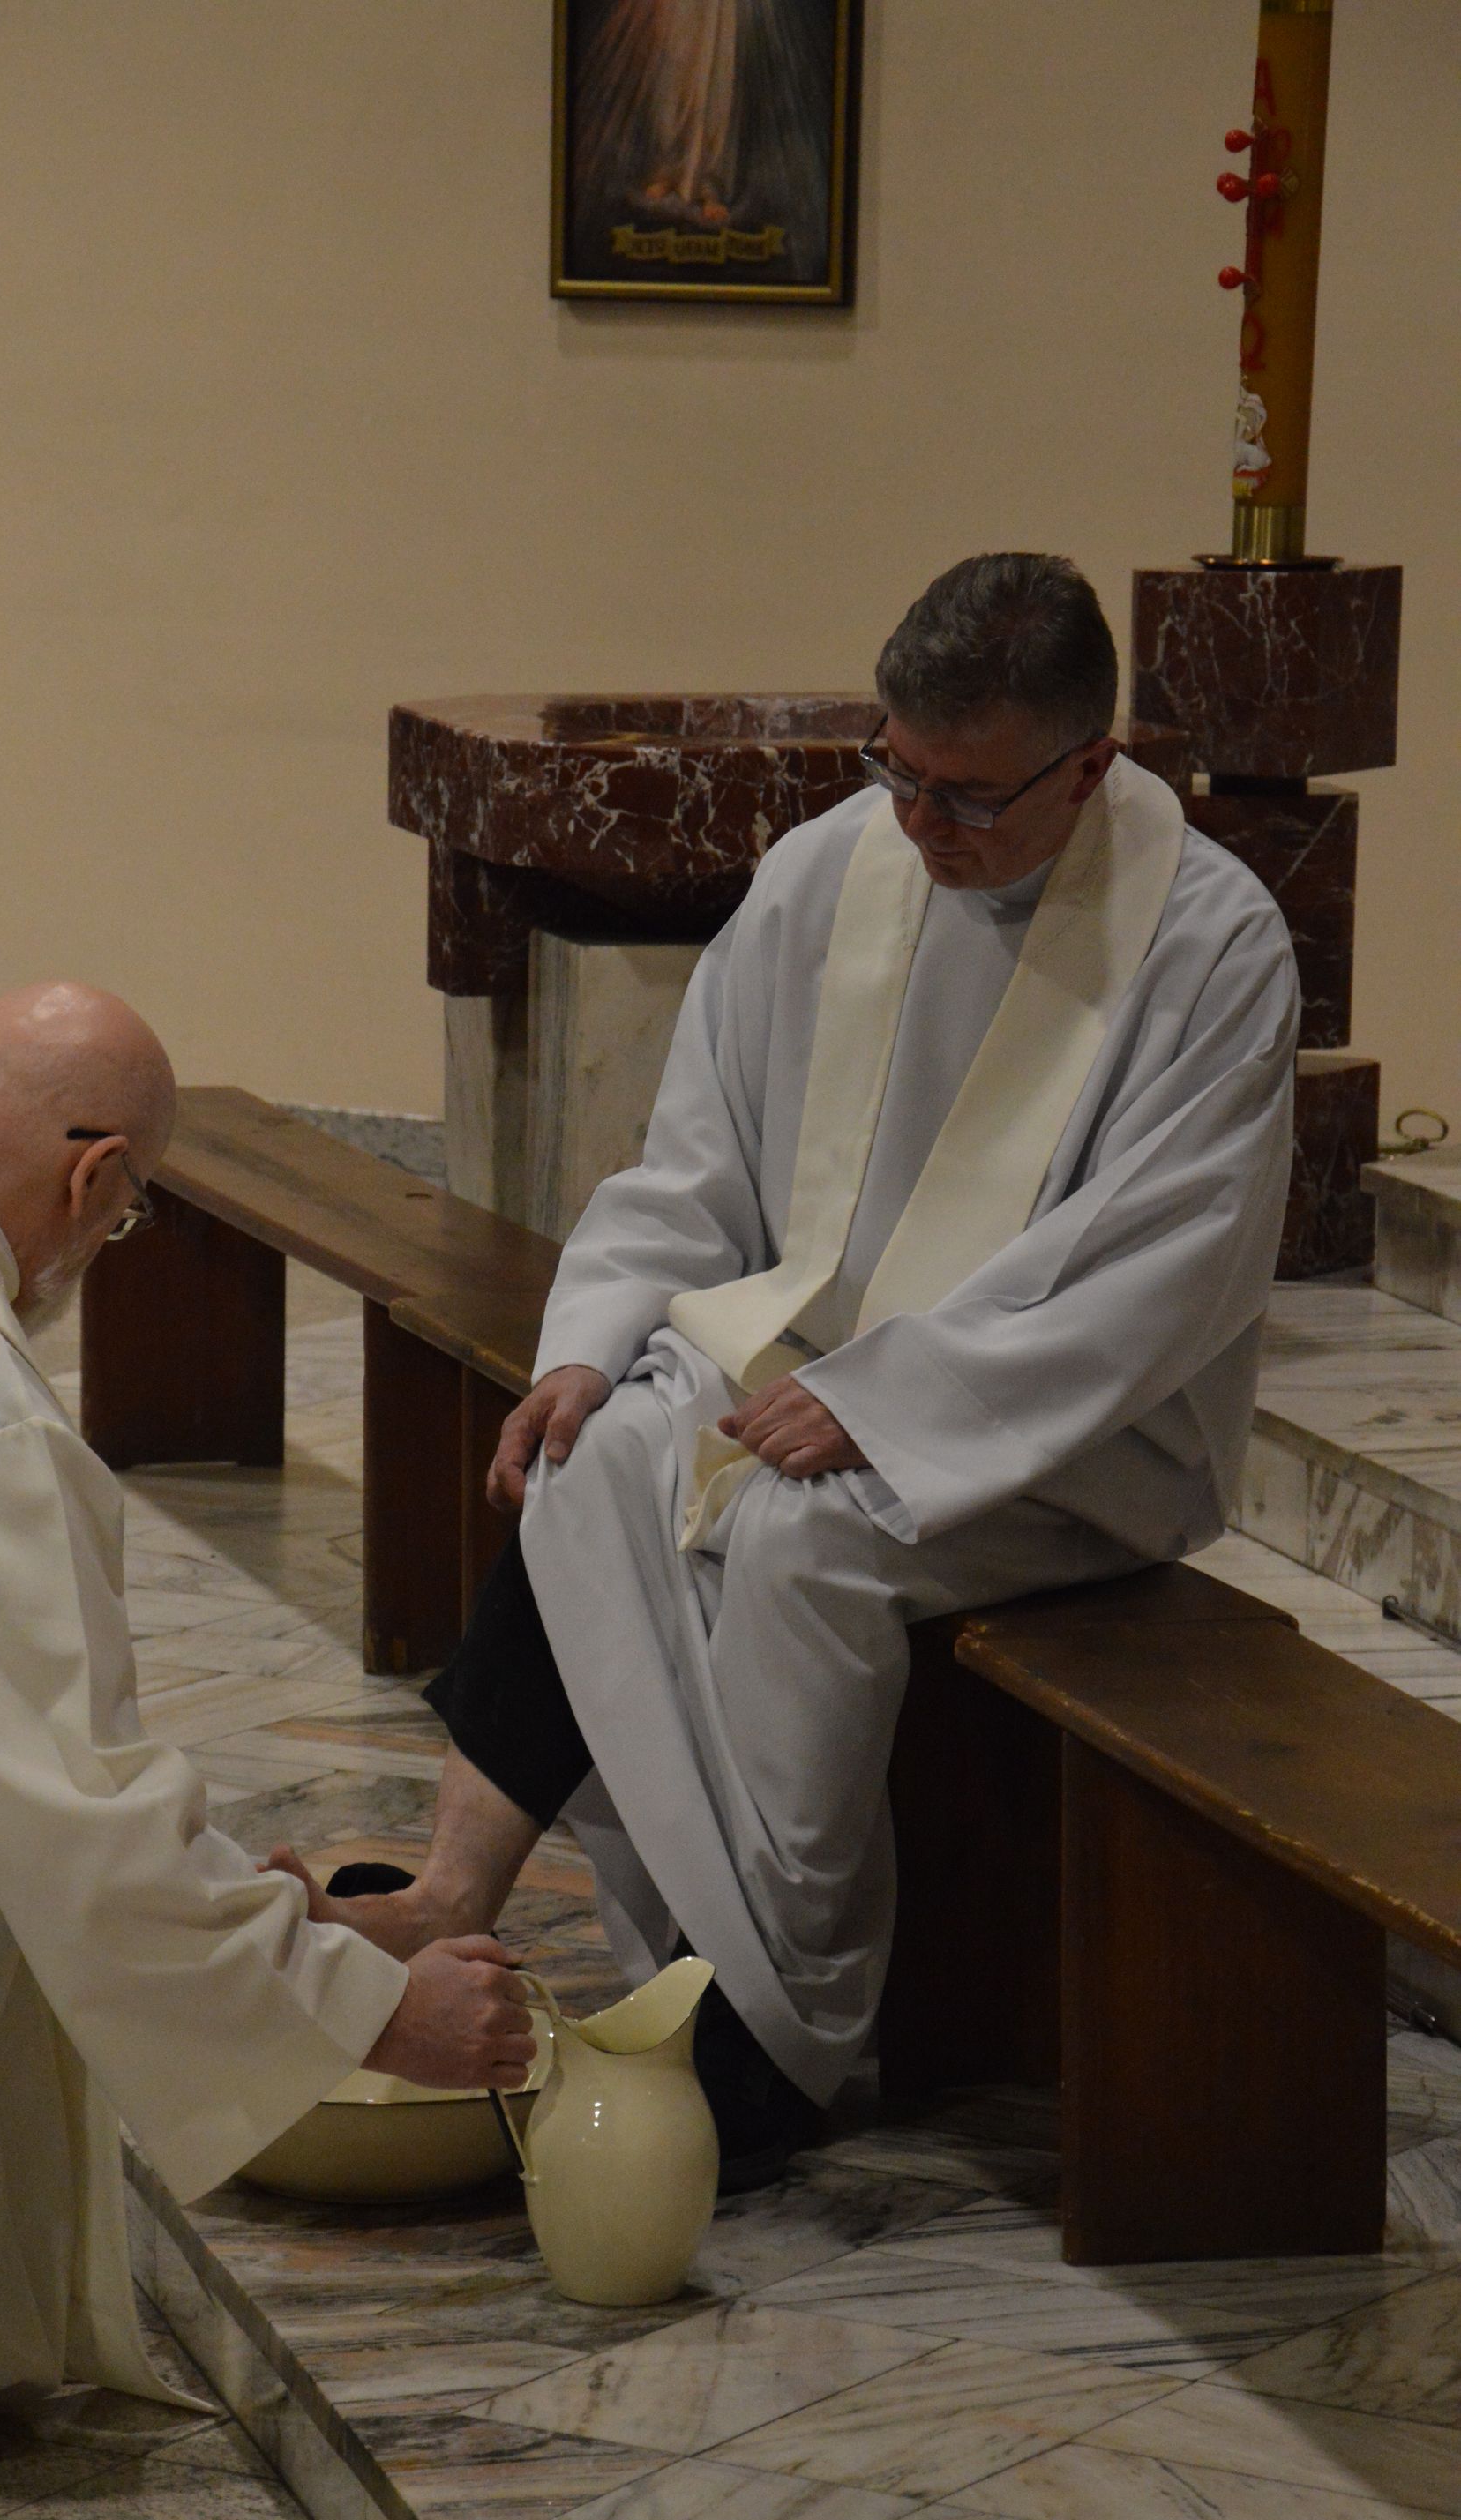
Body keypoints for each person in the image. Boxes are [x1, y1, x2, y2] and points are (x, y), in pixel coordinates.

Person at [315, 554, 1300, 2190]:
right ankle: (490, 1904)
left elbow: (1164, 1267)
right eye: (895, 770)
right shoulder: (830, 868)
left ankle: (777, 2031)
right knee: (597, 1459)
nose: (917, 824)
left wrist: (892, 1402)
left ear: (1090, 768)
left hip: (1070, 1429)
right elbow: (695, 1162)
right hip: (810, 1357)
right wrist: (591, 1342)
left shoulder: (1208, 942)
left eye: (965, 797)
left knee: (797, 1541)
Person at [0, 982, 532, 2484]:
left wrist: (263, 1921)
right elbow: (81, 1817)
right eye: (128, 1214)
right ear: (93, 1180)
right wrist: (367, 2013)